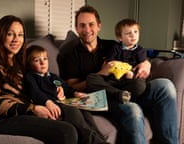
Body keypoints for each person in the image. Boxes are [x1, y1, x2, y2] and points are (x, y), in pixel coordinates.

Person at [57, 5, 178, 144]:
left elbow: (135, 53)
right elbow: (72, 87)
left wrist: (146, 63)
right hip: (102, 98)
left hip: (127, 88)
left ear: (99, 26)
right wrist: (101, 73)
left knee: (165, 85)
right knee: (133, 109)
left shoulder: (112, 46)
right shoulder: (70, 55)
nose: (87, 30)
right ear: (77, 28)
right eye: (82, 25)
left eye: (91, 24)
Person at [0, 15, 99, 144]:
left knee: (78, 112)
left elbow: (39, 85)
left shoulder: (20, 63)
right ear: (1, 36)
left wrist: (58, 92)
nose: (16, 39)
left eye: (20, 35)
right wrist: (33, 109)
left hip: (27, 113)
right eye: (10, 34)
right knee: (67, 131)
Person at [24, 45, 107, 144]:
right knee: (74, 113)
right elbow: (35, 93)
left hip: (64, 101)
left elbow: (66, 88)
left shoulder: (53, 77)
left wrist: (75, 93)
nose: (43, 63)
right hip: (54, 104)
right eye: (37, 60)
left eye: (45, 59)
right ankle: (92, 141)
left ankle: (100, 139)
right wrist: (48, 102)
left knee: (86, 113)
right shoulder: (30, 77)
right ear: (29, 64)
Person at [85, 18, 147, 104]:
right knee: (91, 78)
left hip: (129, 81)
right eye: (128, 33)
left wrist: (132, 73)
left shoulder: (141, 50)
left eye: (136, 32)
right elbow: (110, 62)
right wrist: (112, 65)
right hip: (112, 81)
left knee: (140, 85)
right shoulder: (115, 48)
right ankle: (117, 94)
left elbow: (141, 66)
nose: (133, 35)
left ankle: (116, 96)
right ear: (120, 37)